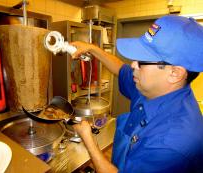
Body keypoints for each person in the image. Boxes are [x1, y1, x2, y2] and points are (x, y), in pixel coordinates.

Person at [70, 15, 203, 173]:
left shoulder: (172, 142)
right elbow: (120, 69)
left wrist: (88, 139)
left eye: (142, 61)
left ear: (175, 73)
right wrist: (91, 48)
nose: (133, 65)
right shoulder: (154, 87)